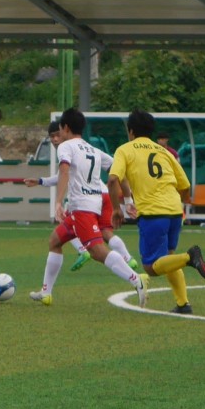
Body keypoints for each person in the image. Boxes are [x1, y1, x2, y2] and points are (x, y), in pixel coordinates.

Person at [26, 108, 147, 307]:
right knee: (55, 240)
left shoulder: (66, 147)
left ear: (65, 127)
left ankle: (136, 279)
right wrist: (128, 200)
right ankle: (46, 293)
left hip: (83, 208)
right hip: (89, 206)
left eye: (59, 130)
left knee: (97, 251)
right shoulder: (93, 150)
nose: (58, 135)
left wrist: (58, 202)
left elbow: (64, 172)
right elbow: (120, 172)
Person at [107, 109, 205, 314]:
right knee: (168, 257)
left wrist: (116, 209)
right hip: (174, 210)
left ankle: (189, 257)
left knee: (151, 267)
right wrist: (177, 204)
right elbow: (185, 185)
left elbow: (112, 180)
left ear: (130, 131)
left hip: (153, 213)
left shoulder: (125, 150)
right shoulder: (164, 152)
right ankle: (183, 304)